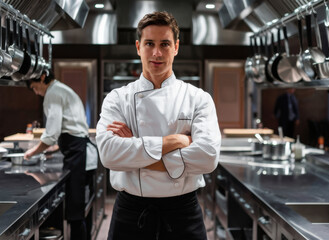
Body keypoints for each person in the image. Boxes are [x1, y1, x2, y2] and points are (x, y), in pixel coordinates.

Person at [96, 11, 221, 240]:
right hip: (130, 213)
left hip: (183, 214)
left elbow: (208, 157)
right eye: (149, 44)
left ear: (176, 47)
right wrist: (175, 141)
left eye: (165, 44)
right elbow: (109, 155)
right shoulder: (117, 98)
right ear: (138, 46)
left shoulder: (198, 98)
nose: (157, 52)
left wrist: (135, 154)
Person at [24, 69, 89, 240]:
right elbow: (71, 127)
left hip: (75, 153)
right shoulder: (61, 89)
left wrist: (32, 152)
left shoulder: (53, 93)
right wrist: (56, 148)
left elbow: (52, 133)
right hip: (78, 148)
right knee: (77, 207)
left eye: (35, 87)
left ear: (43, 77)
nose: (36, 92)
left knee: (75, 209)